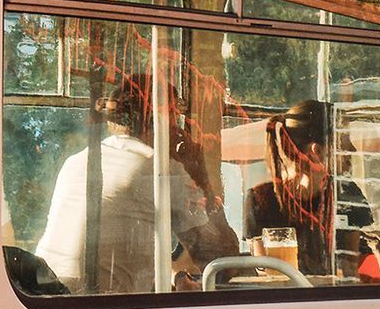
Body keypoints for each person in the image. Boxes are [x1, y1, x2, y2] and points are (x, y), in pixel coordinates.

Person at [33, 75, 237, 295]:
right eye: (175, 116)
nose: (179, 127)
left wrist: (177, 276)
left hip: (49, 296)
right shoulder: (159, 169)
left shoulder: (77, 161)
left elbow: (120, 247)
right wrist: (198, 172)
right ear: (160, 120)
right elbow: (221, 257)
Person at [243, 98, 380, 280]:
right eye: (344, 140)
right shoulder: (260, 199)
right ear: (317, 151)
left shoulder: (347, 194)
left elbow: (349, 272)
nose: (353, 149)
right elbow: (267, 275)